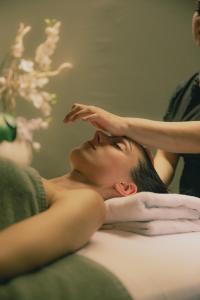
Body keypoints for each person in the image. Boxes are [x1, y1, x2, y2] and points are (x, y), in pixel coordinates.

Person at [0, 126, 167, 282]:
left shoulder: (89, 202)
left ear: (125, 187)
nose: (98, 134)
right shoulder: (38, 181)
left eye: (118, 146)